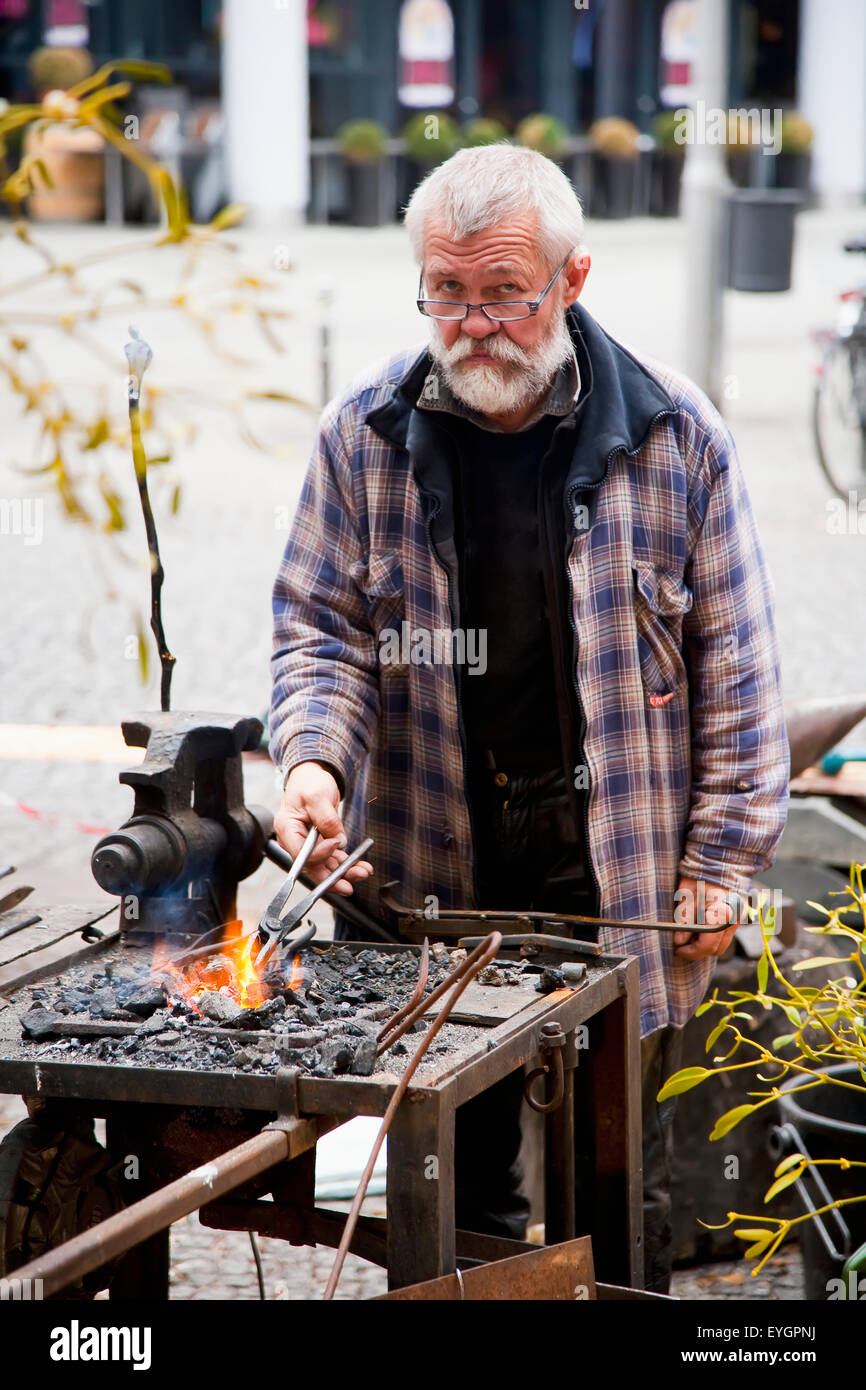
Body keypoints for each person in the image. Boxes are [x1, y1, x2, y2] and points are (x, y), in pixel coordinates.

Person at [268, 144, 789, 1292]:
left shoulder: (674, 437)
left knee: (610, 1189)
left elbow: (741, 677)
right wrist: (311, 759)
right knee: (451, 1186)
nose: (472, 324)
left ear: (571, 279)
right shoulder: (360, 438)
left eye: (503, 291)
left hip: (622, 877)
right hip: (433, 874)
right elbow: (321, 633)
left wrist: (720, 861)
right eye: (445, 293)